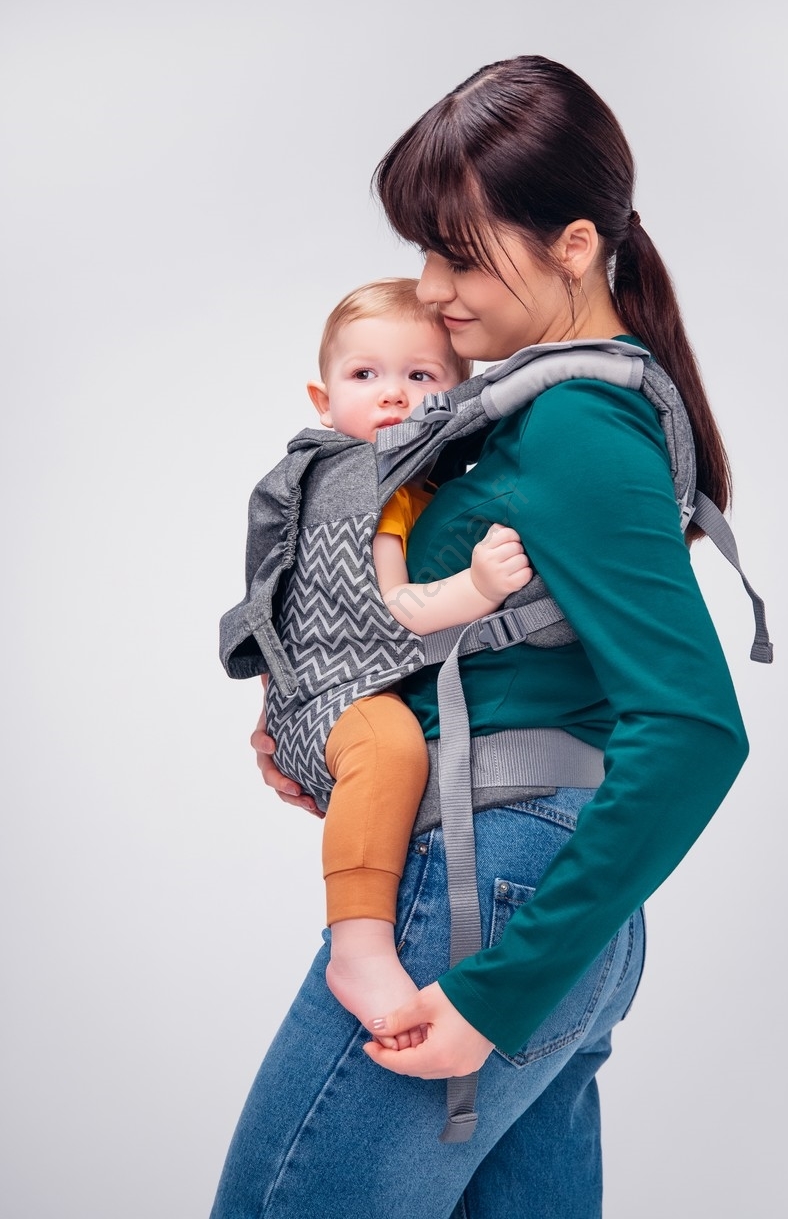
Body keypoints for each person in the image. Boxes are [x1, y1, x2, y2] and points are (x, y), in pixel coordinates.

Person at [211, 56, 750, 1218]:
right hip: (537, 895)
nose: (432, 287)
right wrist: (325, 721)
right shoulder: (553, 408)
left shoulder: (573, 427)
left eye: (459, 254)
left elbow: (695, 729)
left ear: (572, 245)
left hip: (488, 900)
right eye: (426, 251)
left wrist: (499, 986)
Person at [227, 277, 532, 1035]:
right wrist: (478, 586)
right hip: (333, 703)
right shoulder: (371, 484)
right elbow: (397, 607)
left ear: (453, 395)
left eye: (420, 375)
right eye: (365, 374)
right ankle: (358, 944)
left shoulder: (396, 480)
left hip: (316, 701)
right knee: (390, 744)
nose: (393, 394)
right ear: (322, 398)